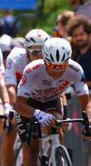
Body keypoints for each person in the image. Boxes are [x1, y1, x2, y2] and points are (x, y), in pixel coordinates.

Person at [16, 38, 91, 166]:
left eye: (62, 66)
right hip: (29, 104)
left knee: (56, 127)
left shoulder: (76, 70)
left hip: (52, 101)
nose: (57, 70)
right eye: (52, 65)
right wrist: (38, 114)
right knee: (32, 150)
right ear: (45, 61)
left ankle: (57, 157)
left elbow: (86, 102)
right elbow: (19, 105)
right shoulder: (32, 69)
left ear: (68, 61)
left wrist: (88, 122)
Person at [2, 28, 50, 166]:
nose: (40, 56)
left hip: (41, 95)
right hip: (20, 96)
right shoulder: (16, 57)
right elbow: (10, 86)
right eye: (35, 52)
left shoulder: (50, 59)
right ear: (26, 50)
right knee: (11, 129)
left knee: (57, 127)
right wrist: (12, 108)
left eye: (42, 51)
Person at [67, 15, 91, 88]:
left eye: (81, 34)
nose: (78, 38)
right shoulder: (73, 55)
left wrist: (80, 85)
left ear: (89, 35)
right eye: (75, 36)